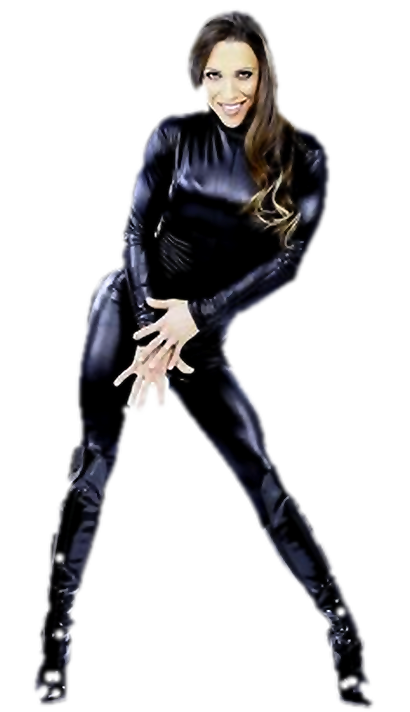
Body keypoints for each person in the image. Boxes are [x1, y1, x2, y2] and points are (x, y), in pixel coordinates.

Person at [32, 8, 376, 709]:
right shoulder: (174, 134)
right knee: (94, 461)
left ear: (266, 73)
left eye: (243, 74)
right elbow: (134, 230)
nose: (228, 91)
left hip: (202, 335)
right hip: (129, 307)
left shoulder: (307, 157)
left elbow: (289, 264)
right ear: (199, 76)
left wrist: (194, 321)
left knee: (261, 475)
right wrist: (152, 327)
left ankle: (347, 638)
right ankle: (54, 640)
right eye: (213, 75)